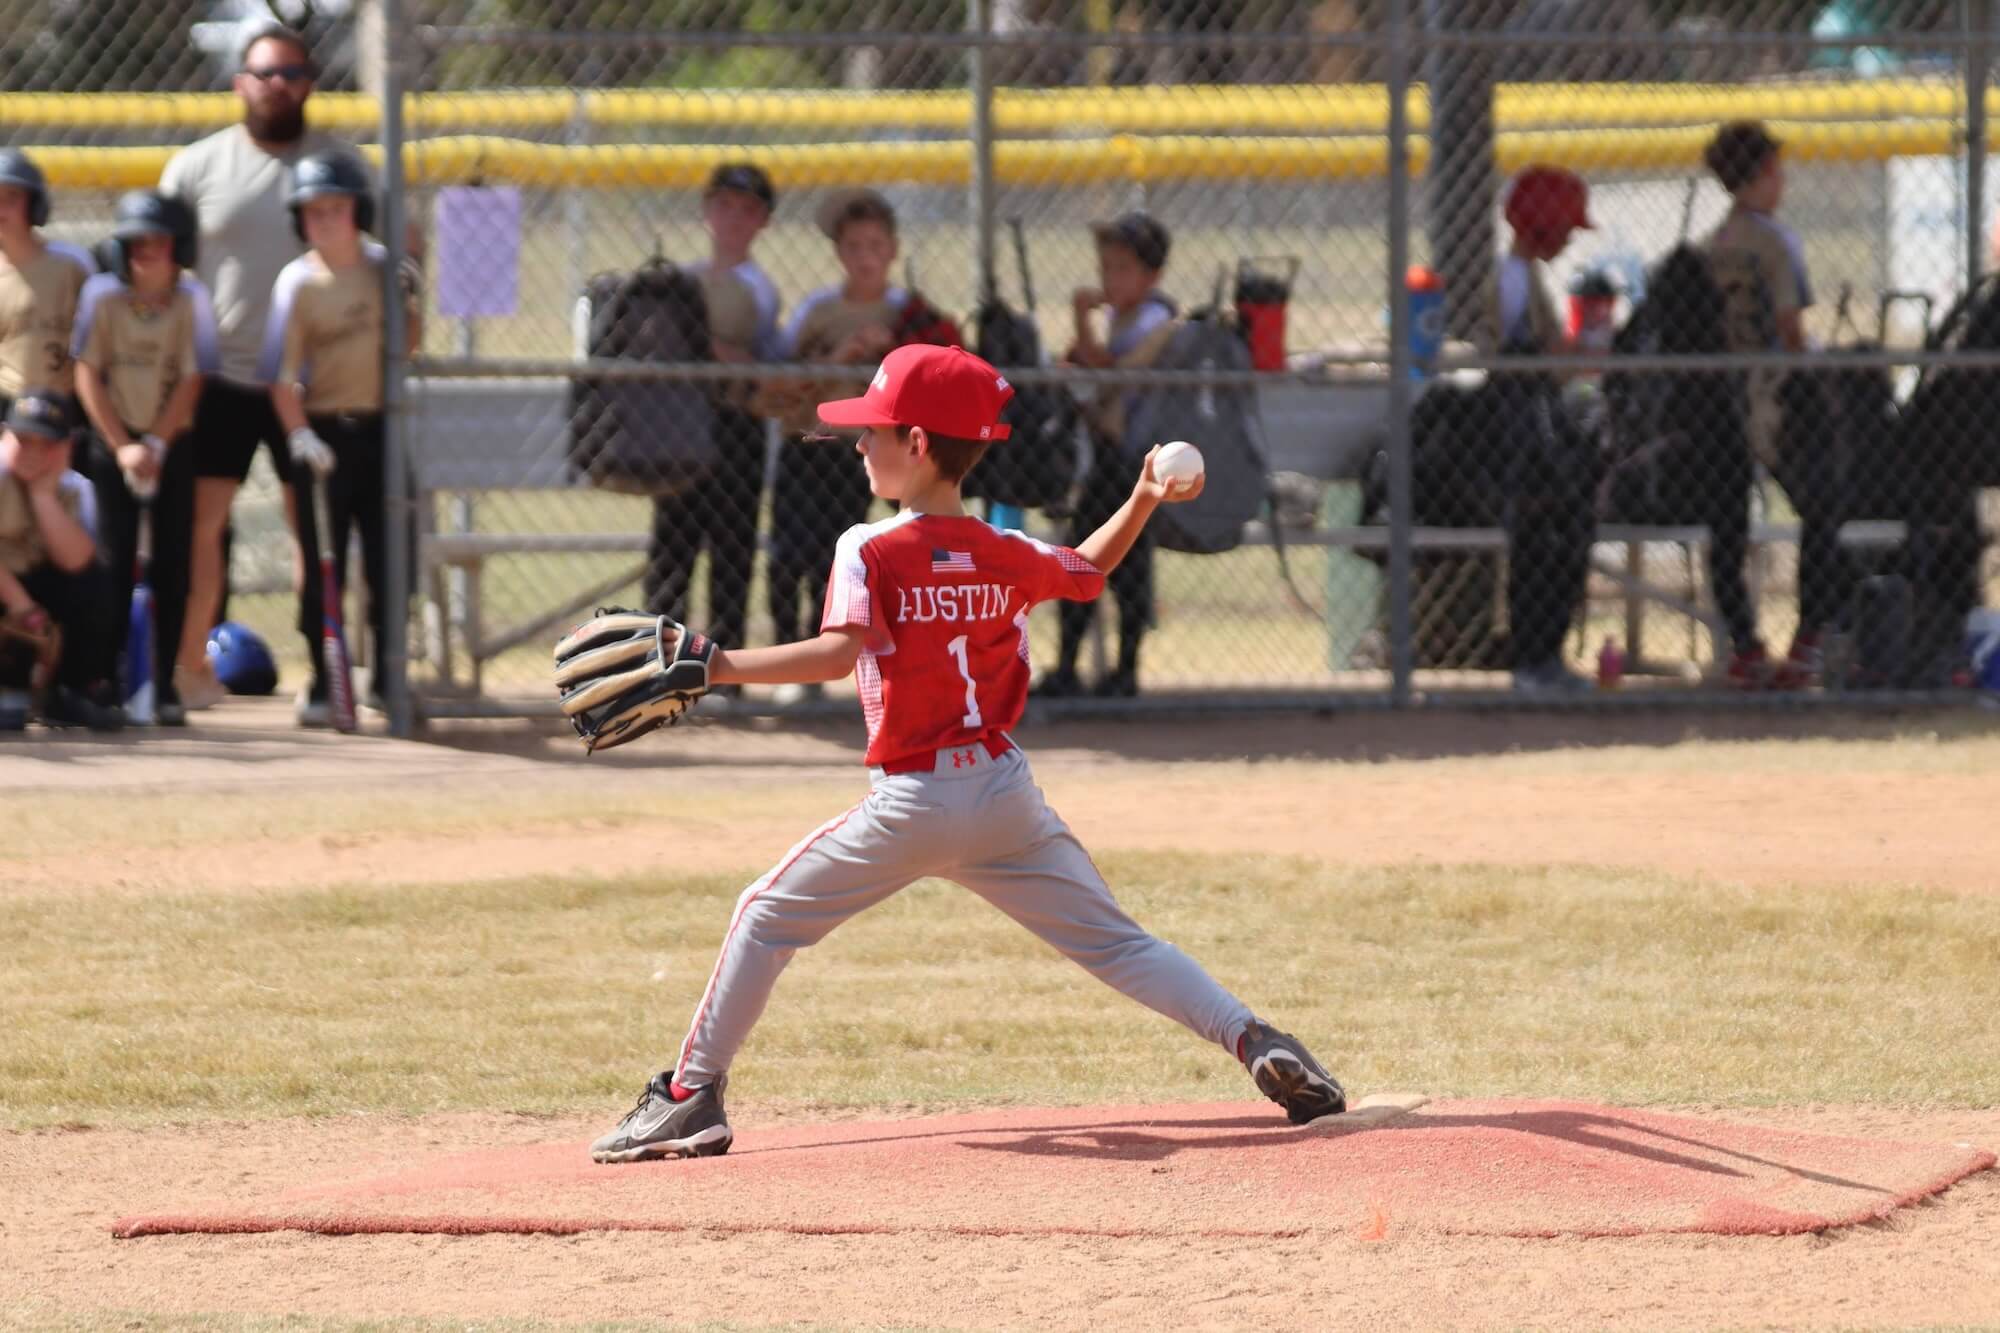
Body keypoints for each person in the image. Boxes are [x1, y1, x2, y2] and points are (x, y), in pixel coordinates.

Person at [582, 343, 1346, 1163]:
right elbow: (1087, 570)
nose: (860, 443)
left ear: (918, 445)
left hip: (913, 802)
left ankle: (692, 1096)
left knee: (763, 915)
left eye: (875, 430)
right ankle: (1254, 1036)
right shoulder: (1000, 547)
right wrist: (1144, 494)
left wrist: (721, 665)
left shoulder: (867, 548)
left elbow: (839, 654)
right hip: (1005, 796)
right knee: (1122, 945)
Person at [161, 20, 364, 711]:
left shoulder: (339, 167)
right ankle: (188, 667)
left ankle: (324, 676)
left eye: (292, 74)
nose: (279, 86)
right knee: (202, 524)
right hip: (220, 378)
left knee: (313, 527)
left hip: (309, 387)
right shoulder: (198, 167)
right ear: (239, 81)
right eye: (266, 73)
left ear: (310, 84)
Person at [758, 187, 951, 700]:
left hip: (867, 454)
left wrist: (891, 351)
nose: (865, 257)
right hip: (810, 440)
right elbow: (778, 376)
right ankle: (790, 655)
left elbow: (938, 373)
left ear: (892, 251)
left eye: (875, 245)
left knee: (841, 555)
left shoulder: (907, 314)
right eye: (854, 246)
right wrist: (840, 355)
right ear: (840, 253)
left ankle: (837, 660)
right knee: (785, 556)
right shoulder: (819, 310)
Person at [261, 152, 419, 726]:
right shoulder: (297, 283)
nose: (325, 220)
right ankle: (325, 676)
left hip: (381, 428)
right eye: (313, 211)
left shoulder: (382, 267)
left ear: (360, 212)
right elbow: (280, 378)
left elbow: (411, 348)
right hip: (323, 434)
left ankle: (386, 676)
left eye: (336, 208)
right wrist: (300, 435)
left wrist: (411, 297)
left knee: (390, 560)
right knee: (323, 560)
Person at [1702, 120, 1843, 687]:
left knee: (1728, 525)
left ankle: (1745, 646)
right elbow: (1789, 325)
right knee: (1822, 507)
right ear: (1760, 175)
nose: (1782, 182)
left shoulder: (1715, 242)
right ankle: (1808, 642)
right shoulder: (1776, 240)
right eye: (1777, 171)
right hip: (1778, 395)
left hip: (1726, 395)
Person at [71, 191, 218, 728]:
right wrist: (123, 446)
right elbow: (88, 373)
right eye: (135, 244)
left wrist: (155, 443)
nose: (145, 254)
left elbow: (193, 377)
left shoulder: (191, 299)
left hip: (171, 442)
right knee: (113, 561)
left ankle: (163, 682)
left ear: (179, 247)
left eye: (157, 243)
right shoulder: (101, 296)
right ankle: (105, 676)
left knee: (173, 563)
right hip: (114, 442)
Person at [642, 163, 783, 698]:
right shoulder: (683, 279)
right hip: (679, 426)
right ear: (706, 211)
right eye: (723, 206)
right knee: (671, 550)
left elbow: (763, 365)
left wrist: (711, 348)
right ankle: (657, 670)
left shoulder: (760, 289)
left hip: (734, 428)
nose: (733, 218)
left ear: (763, 222)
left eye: (747, 210)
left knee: (731, 549)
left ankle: (724, 678)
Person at [1035, 211, 1178, 699]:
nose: (1109, 280)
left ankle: (1124, 671)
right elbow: (1084, 364)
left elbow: (1111, 371)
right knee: (1081, 559)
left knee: (1125, 568)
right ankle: (1072, 667)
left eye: (1122, 269)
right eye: (1106, 269)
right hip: (1107, 461)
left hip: (1131, 465)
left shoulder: (1156, 320)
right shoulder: (1121, 317)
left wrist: (1081, 314)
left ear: (1152, 276)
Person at [1490, 166, 1598, 694]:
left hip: (1526, 438)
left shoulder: (1521, 273)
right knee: (1554, 528)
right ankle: (1538, 659)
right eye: (1566, 228)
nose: (1571, 237)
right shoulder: (1511, 278)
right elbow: (1529, 362)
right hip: (1518, 444)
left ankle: (1541, 658)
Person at [0, 393, 123, 730]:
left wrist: (43, 497)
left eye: (47, 443)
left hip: (34, 588)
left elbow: (77, 563)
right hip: (10, 592)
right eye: (23, 440)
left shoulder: (75, 488)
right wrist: (23, 606)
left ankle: (70, 690)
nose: (34, 453)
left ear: (67, 446)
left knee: (94, 580)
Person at [0, 148, 97, 418]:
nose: (1, 207)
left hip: (66, 403)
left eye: (12, 197)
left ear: (35, 205)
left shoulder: (71, 264)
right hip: (7, 405)